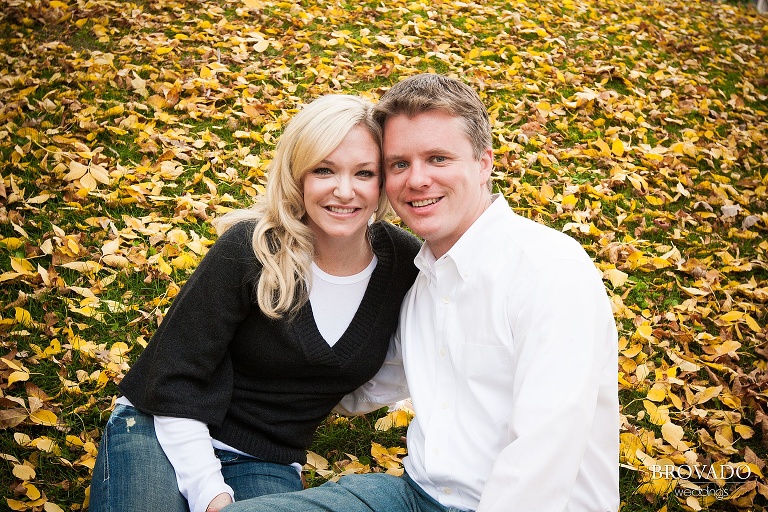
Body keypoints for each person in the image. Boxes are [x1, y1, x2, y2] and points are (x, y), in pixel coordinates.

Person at [224, 74, 620, 512]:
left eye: (438, 158)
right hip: (413, 495)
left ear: (485, 162)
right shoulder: (421, 279)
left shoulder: (548, 270)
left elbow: (546, 452)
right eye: (398, 164)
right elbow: (366, 383)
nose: (417, 180)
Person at [88, 94, 422, 512]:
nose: (344, 190)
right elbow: (172, 380)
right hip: (162, 426)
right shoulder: (251, 249)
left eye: (364, 173)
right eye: (324, 170)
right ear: (297, 176)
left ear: (383, 181)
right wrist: (212, 495)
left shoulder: (405, 265)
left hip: (267, 456)